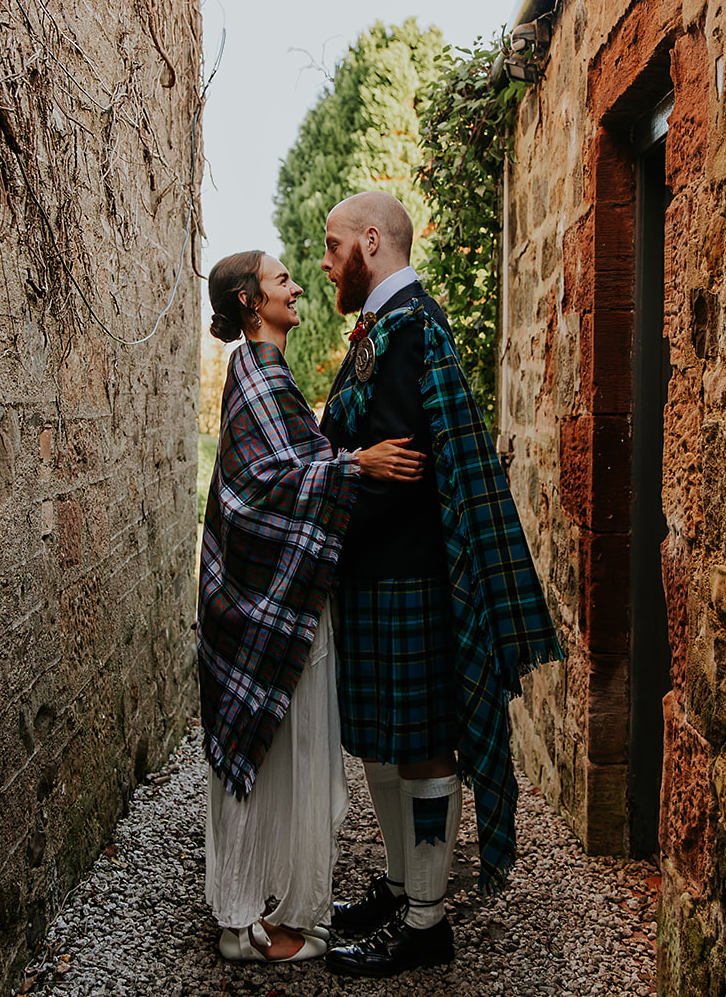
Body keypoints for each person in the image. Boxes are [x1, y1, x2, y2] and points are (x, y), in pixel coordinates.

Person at [316, 192, 564, 978]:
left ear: (372, 240)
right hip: (378, 572)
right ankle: (399, 888)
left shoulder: (411, 329)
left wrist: (325, 494)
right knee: (385, 749)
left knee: (421, 749)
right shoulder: (386, 328)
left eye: (332, 247)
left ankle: (426, 923)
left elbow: (404, 467)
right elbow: (361, 446)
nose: (325, 263)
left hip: (408, 575)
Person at [197, 248, 426, 964]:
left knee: (278, 752)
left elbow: (292, 459)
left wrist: (334, 450)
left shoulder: (270, 375)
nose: (296, 286)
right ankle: (240, 919)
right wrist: (356, 462)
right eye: (280, 280)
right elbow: (260, 485)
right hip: (262, 603)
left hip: (283, 596)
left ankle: (269, 910)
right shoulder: (254, 374)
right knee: (261, 751)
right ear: (247, 302)